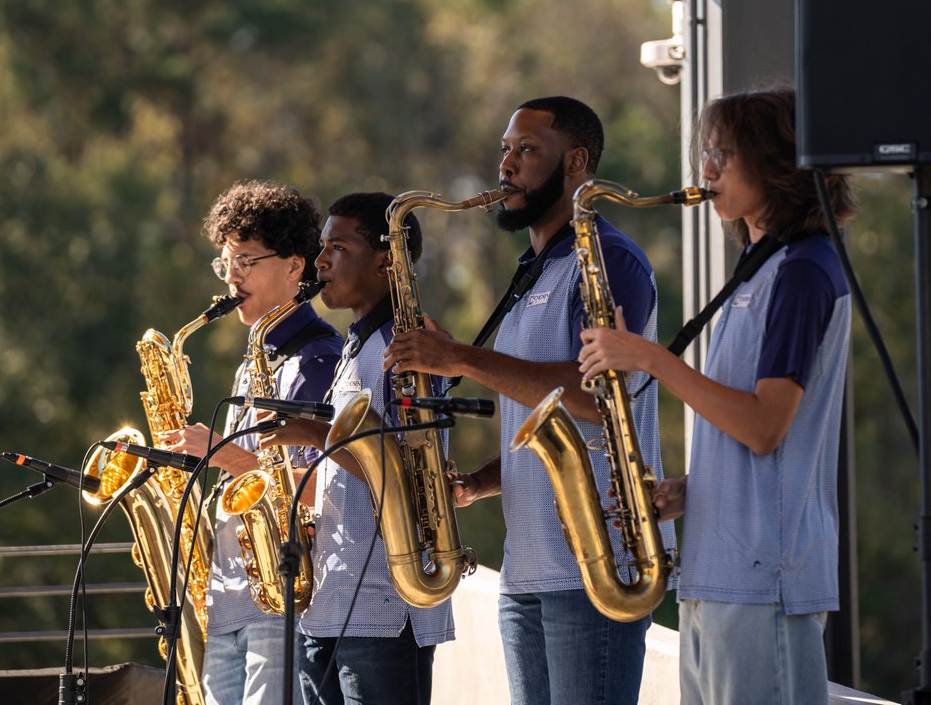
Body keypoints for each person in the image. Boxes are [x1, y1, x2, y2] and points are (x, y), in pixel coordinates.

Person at [382, 96, 675, 705]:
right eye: (505, 151)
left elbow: (596, 400)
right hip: (529, 568)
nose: (506, 167)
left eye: (526, 152)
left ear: (576, 163)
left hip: (594, 565)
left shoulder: (607, 259)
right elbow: (539, 408)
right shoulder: (532, 269)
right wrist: (481, 482)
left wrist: (460, 357)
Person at [578, 87, 858, 705]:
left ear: (777, 164)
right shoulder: (762, 267)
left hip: (761, 580)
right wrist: (693, 490)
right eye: (706, 152)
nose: (705, 171)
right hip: (722, 576)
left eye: (724, 155)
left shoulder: (802, 270)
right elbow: (754, 439)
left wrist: (649, 357)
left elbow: (765, 426)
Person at [266, 192, 454, 705]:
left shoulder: (405, 343)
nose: (321, 260)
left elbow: (407, 467)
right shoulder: (359, 342)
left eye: (338, 248)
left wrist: (310, 434)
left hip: (385, 608)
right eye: (322, 247)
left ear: (385, 260)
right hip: (332, 598)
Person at [163, 180, 343, 705]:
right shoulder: (256, 357)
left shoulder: (317, 360)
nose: (232, 277)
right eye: (225, 264)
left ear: (294, 266)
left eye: (246, 260)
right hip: (230, 596)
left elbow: (324, 491)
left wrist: (224, 455)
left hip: (281, 598)